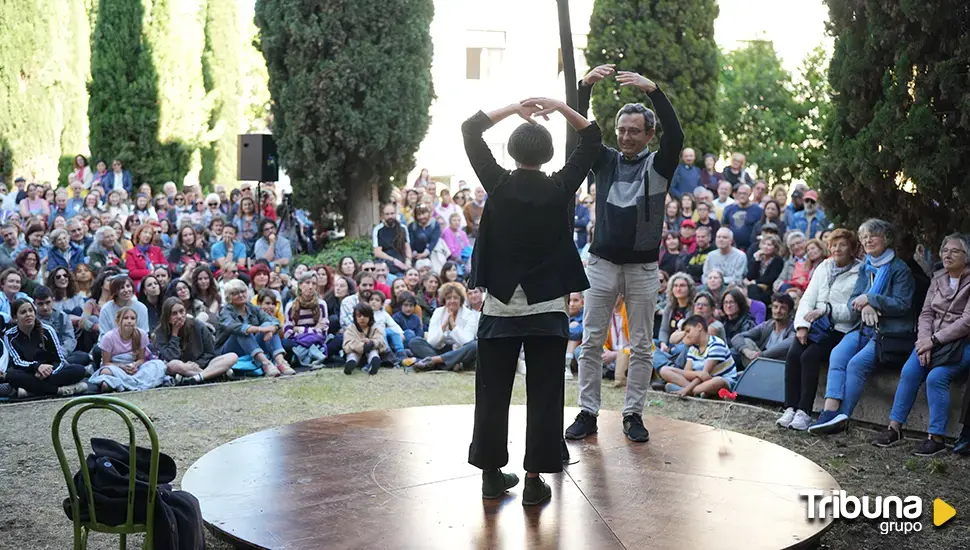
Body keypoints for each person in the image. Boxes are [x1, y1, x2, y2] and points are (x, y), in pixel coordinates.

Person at [458, 94, 601, 504]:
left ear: (512, 151)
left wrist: (513, 110)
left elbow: (470, 129)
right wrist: (558, 106)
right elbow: (592, 139)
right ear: (550, 153)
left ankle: (490, 474)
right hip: (547, 309)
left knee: (492, 394)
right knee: (545, 398)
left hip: (500, 307)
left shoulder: (497, 182)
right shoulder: (559, 187)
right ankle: (534, 480)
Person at [566, 65, 683, 444]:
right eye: (621, 131)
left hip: (643, 267)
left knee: (643, 345)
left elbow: (676, 136)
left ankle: (633, 414)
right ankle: (588, 412)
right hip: (601, 263)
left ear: (649, 133)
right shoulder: (604, 160)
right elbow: (580, 131)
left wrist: (655, 92)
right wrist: (584, 88)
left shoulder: (659, 164)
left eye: (634, 131)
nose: (626, 137)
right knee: (591, 340)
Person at [810, 219, 915, 435]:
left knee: (856, 364)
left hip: (887, 333)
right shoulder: (866, 267)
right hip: (862, 328)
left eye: (873, 236)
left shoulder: (900, 269)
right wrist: (864, 304)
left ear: (886, 239)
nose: (867, 240)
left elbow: (903, 304)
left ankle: (842, 418)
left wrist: (872, 300)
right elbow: (853, 300)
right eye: (864, 237)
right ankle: (829, 412)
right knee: (838, 354)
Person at [869, 234, 970, 456]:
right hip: (930, 341)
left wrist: (933, 341)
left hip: (960, 344)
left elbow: (966, 322)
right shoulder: (938, 278)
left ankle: (936, 438)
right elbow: (926, 313)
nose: (947, 254)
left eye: (954, 251)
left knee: (936, 378)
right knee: (910, 371)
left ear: (967, 256)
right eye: (945, 250)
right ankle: (894, 429)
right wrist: (924, 341)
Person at [777, 229, 862, 431]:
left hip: (839, 328)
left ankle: (804, 411)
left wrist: (824, 310)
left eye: (842, 245)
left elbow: (852, 311)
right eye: (833, 245)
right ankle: (790, 407)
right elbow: (808, 298)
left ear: (852, 248)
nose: (837, 249)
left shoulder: (860, 272)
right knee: (794, 353)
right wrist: (802, 327)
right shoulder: (824, 267)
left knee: (810, 357)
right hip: (815, 325)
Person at [2, 298, 88, 397]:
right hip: (29, 372)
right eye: (23, 312)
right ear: (15, 317)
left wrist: (48, 373)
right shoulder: (9, 335)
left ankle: (30, 392)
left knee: (79, 370)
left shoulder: (47, 330)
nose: (28, 314)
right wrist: (37, 367)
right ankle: (61, 390)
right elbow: (18, 361)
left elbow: (59, 360)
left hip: (50, 372)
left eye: (31, 311)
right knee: (12, 375)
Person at [217, 279, 292, 377]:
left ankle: (280, 362)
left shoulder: (251, 307)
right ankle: (266, 363)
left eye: (243, 291)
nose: (240, 295)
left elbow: (272, 320)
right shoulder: (225, 311)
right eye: (235, 293)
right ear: (229, 296)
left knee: (268, 324)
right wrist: (260, 329)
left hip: (251, 347)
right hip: (230, 352)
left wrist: (272, 329)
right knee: (243, 331)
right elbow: (233, 327)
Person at [154, 297, 237, 385]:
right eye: (174, 313)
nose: (179, 316)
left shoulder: (197, 325)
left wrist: (196, 364)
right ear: (167, 317)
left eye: (181, 311)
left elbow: (210, 352)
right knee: (172, 365)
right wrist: (175, 333)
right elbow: (171, 357)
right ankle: (212, 375)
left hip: (204, 364)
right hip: (183, 367)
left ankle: (197, 378)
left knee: (232, 356)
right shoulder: (160, 332)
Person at [659, 315, 739, 398]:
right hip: (699, 380)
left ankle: (689, 391)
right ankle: (699, 392)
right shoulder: (693, 348)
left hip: (719, 380)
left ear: (699, 326)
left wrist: (686, 389)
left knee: (718, 382)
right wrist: (698, 374)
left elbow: (706, 373)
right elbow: (687, 372)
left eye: (688, 331)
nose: (686, 336)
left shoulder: (716, 344)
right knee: (665, 370)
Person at [409, 283, 479, 372]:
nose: (452, 301)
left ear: (461, 300)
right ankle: (450, 364)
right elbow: (431, 342)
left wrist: (453, 326)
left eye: (455, 298)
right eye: (449, 298)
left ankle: (434, 361)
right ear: (444, 300)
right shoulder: (438, 312)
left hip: (460, 351)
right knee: (415, 342)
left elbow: (466, 341)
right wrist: (444, 325)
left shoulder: (469, 315)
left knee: (475, 345)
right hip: (439, 350)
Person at [730, 293, 795, 367]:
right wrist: (747, 352)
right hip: (760, 364)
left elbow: (788, 344)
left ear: (790, 312)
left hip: (781, 368)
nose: (778, 311)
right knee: (745, 342)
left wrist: (761, 356)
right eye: (775, 307)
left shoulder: (793, 327)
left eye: (783, 308)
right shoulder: (767, 325)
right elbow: (737, 337)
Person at [284, 274, 330, 369]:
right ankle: (314, 354)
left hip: (317, 340)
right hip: (298, 341)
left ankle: (302, 356)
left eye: (314, 284)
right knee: (284, 343)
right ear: (300, 285)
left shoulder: (321, 304)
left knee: (337, 339)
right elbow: (288, 333)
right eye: (307, 283)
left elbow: (323, 331)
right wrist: (312, 330)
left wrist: (299, 329)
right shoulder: (290, 306)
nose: (310, 287)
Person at [342, 302, 387, 375]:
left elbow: (381, 342)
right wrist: (362, 345)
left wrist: (371, 342)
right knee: (352, 354)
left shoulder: (375, 328)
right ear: (355, 317)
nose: (362, 318)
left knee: (373, 352)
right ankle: (350, 364)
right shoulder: (350, 329)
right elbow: (346, 345)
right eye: (359, 316)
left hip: (370, 349)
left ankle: (373, 363)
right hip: (357, 352)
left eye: (365, 316)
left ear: (370, 316)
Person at [373, 203, 412, 276]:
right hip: (386, 262)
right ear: (382, 216)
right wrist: (394, 260)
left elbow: (407, 247)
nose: (390, 216)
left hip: (402, 262)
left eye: (392, 213)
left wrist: (408, 260)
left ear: (396, 214)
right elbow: (377, 252)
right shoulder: (378, 230)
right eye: (387, 214)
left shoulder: (403, 228)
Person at [721, 184, 763, 251]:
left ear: (750, 194)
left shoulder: (759, 211)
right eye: (740, 193)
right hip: (731, 248)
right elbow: (724, 227)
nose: (742, 196)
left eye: (744, 193)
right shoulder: (729, 209)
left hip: (750, 248)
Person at [745, 234, 785, 304]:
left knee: (753, 289)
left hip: (768, 289)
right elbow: (750, 276)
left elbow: (770, 278)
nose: (765, 247)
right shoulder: (757, 257)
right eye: (764, 244)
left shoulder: (778, 260)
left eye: (769, 245)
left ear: (775, 248)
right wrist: (757, 260)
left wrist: (755, 282)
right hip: (753, 287)